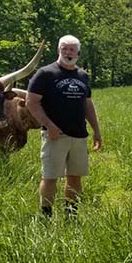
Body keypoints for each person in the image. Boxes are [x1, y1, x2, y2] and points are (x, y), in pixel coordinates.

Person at [26, 35, 101, 217]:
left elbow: (87, 105)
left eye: (72, 49)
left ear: (78, 53)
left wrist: (96, 131)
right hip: (55, 136)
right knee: (50, 177)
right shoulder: (45, 74)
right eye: (64, 49)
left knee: (75, 177)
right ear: (58, 51)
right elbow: (31, 102)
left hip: (79, 136)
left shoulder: (82, 76)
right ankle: (46, 216)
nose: (68, 53)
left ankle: (71, 215)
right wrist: (49, 125)